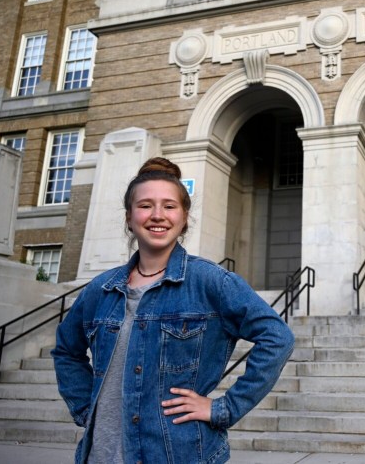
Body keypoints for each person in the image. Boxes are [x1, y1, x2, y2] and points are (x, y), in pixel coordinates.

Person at [52, 157, 295, 464]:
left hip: (178, 453)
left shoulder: (210, 281)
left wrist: (223, 408)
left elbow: (277, 337)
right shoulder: (100, 290)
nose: (157, 215)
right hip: (100, 454)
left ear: (184, 218)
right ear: (129, 217)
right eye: (145, 205)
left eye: (169, 206)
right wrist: (86, 407)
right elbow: (65, 351)